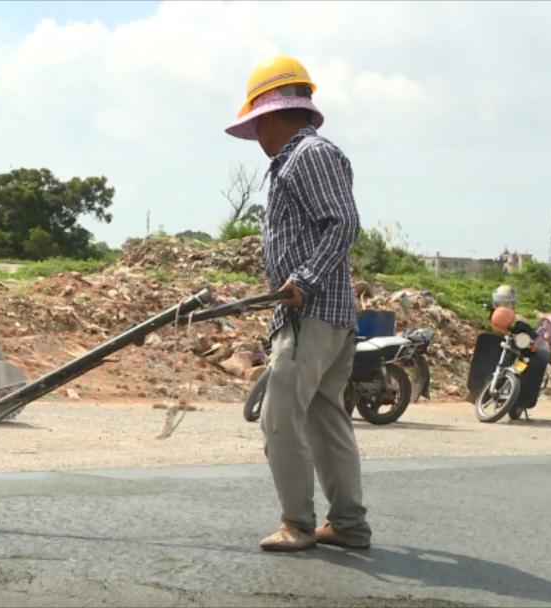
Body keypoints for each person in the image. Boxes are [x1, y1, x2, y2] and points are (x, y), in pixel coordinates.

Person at [225, 55, 370, 552]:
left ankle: (297, 523)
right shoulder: (298, 159)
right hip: (323, 315)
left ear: (270, 116)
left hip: (311, 314)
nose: (257, 137)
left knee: (279, 417)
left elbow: (343, 223)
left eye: (257, 124)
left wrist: (304, 280)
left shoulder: (308, 155)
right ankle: (348, 524)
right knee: (324, 417)